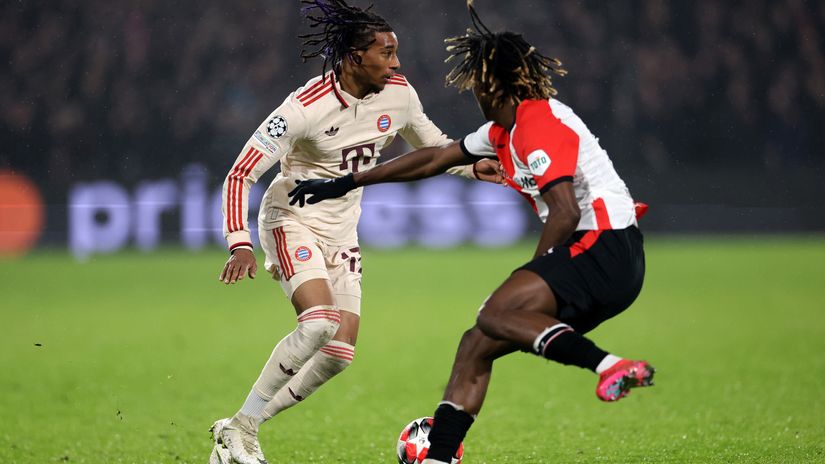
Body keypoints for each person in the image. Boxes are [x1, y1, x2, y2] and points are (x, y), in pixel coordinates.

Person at [287, 2, 655, 462]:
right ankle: (441, 456)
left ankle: (611, 366)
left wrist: (534, 274)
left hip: (605, 246)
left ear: (494, 84)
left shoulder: (538, 125)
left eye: (477, 84)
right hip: (599, 256)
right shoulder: (502, 131)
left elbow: (564, 210)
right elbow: (435, 158)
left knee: (497, 311)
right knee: (476, 343)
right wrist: (347, 180)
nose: (473, 92)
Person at [210, 1, 501, 463]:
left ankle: (240, 427)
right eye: (386, 53)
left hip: (342, 231)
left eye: (396, 52)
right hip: (292, 219)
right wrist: (238, 242)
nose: (397, 62)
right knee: (320, 323)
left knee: (338, 353)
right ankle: (243, 428)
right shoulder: (303, 108)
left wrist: (477, 168)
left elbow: (437, 149)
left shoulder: (400, 95)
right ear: (353, 57)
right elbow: (240, 173)